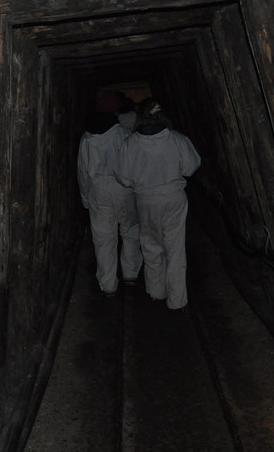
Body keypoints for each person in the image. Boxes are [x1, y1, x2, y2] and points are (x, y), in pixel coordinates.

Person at [115, 98, 200, 310]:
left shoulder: (131, 143)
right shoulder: (177, 139)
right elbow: (190, 167)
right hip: (173, 198)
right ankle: (177, 300)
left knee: (151, 245)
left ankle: (156, 291)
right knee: (175, 247)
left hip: (146, 200)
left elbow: (123, 177)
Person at [77, 109, 142, 296]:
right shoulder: (123, 134)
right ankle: (130, 272)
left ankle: (108, 285)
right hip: (123, 187)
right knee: (130, 230)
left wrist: (85, 198)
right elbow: (133, 164)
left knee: (103, 238)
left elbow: (82, 171)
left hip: (97, 188)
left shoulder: (86, 139)